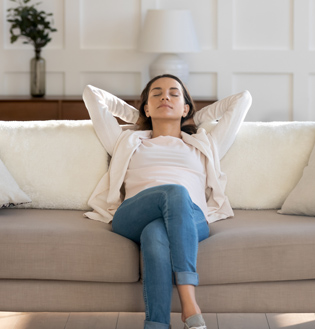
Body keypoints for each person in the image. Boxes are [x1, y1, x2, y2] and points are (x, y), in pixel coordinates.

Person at [82, 74, 252, 329]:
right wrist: (140, 116)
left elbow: (242, 99)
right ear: (147, 107)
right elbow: (91, 94)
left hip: (191, 217)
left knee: (155, 233)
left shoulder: (204, 144)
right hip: (134, 213)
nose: (165, 96)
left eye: (174, 93)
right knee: (175, 192)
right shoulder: (127, 142)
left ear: (185, 107)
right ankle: (189, 304)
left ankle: (156, 324)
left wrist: (194, 117)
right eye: (157, 93)